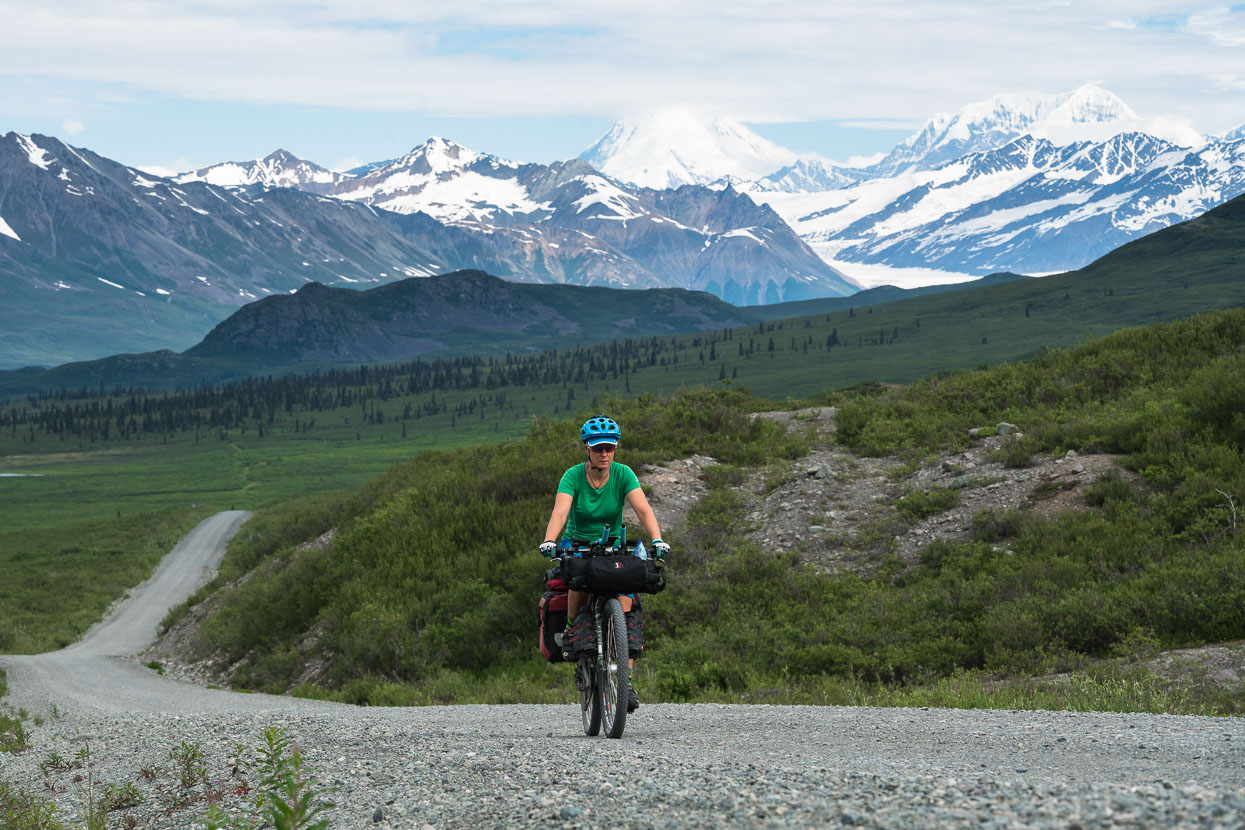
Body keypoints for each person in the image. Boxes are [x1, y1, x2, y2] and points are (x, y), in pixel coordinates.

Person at [540, 415, 669, 712]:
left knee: (627, 602)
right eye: (598, 448)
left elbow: (642, 508)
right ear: (587, 448)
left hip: (611, 544)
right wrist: (550, 539)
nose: (605, 454)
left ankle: (626, 679)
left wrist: (657, 538)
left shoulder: (623, 474)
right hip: (578, 544)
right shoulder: (572, 476)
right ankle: (572, 632)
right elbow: (561, 511)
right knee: (578, 581)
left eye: (610, 447)